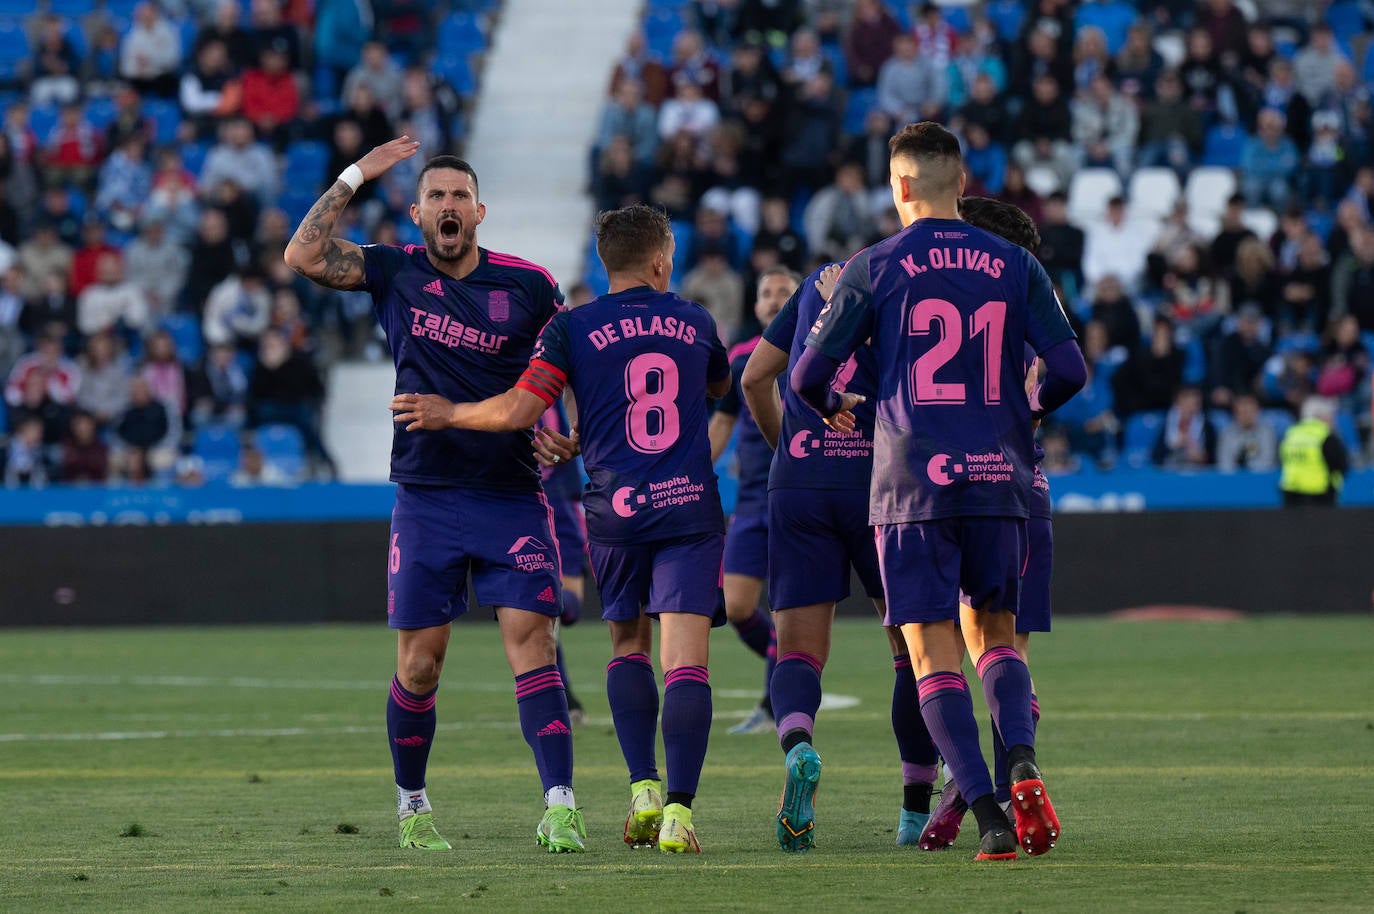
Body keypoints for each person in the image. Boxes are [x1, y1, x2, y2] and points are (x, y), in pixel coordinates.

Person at [391, 204, 732, 854]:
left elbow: (522, 408)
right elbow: (717, 385)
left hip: (616, 510)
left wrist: (449, 411)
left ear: (606, 263)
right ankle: (682, 814)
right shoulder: (695, 321)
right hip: (688, 505)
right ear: (662, 261)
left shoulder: (573, 328)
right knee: (685, 661)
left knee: (628, 646)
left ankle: (643, 791)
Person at [791, 122, 1085, 861]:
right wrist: (1030, 406)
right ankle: (1021, 758)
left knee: (930, 655)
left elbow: (805, 378)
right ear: (962, 180)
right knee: (995, 639)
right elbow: (1072, 369)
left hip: (912, 484)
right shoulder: (1016, 263)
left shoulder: (875, 265)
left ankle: (986, 817)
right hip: (998, 478)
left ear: (900, 187)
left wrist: (835, 404)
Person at [283, 139, 584, 853]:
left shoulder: (532, 286)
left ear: (480, 211)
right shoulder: (393, 271)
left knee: (534, 646)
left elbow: (567, 368)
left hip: (511, 492)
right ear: (417, 213)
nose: (449, 208)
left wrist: (563, 431)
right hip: (425, 494)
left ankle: (562, 806)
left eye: (460, 197)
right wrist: (357, 174)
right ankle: (412, 806)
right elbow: (303, 255)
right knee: (420, 664)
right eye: (436, 198)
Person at [741, 256, 941, 851]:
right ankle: (913, 814)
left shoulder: (810, 290)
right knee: (912, 650)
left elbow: (755, 378)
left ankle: (799, 746)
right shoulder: (902, 288)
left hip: (800, 484)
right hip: (880, 486)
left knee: (799, 652)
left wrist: (789, 451)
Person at [919, 196, 1062, 852]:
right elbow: (1058, 373)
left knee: (939, 647)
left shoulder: (958, 286)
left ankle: (968, 784)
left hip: (940, 484)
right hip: (1022, 483)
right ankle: (1014, 774)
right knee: (1010, 650)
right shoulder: (1031, 293)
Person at [707, 267, 800, 735]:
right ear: (757, 304)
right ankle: (778, 664)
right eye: (767, 292)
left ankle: (772, 705)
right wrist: (698, 467)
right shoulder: (742, 358)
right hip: (749, 501)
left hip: (796, 498)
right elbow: (722, 422)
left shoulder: (815, 349)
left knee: (787, 607)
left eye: (785, 291)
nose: (775, 298)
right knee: (738, 607)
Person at [1278, 396, 1348, 506]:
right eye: (1330, 416)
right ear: (1321, 417)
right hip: (1321, 495)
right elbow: (1341, 465)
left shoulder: (1290, 435)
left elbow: (1281, 460)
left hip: (1291, 495)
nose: (1333, 421)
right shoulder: (1326, 437)